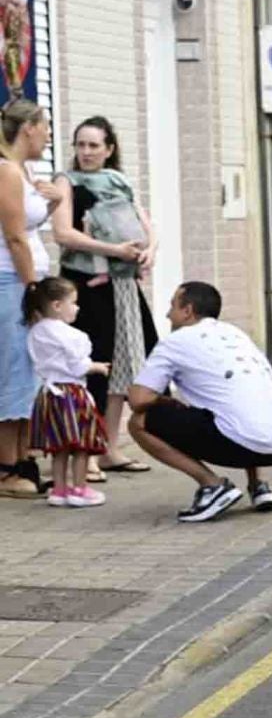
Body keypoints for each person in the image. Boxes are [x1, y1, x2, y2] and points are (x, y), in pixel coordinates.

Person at [128, 281, 272, 523]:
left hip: (246, 442)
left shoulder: (175, 341)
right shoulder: (235, 333)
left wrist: (168, 401)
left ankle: (212, 486)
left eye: (172, 306)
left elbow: (137, 399)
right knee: (237, 405)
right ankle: (259, 486)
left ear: (187, 310)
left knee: (138, 422)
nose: (168, 314)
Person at [52, 116, 157, 476]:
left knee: (121, 367)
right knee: (91, 364)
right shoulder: (67, 182)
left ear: (109, 149)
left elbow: (146, 225)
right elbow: (64, 234)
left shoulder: (119, 181)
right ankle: (88, 452)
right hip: (85, 284)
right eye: (80, 145)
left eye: (93, 145)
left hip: (123, 284)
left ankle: (110, 447)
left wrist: (149, 251)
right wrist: (113, 249)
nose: (85, 152)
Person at [0, 98, 56, 499]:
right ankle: (5, 468)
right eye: (45, 126)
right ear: (28, 129)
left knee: (29, 372)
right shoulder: (5, 171)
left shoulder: (23, 171)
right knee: (14, 370)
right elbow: (15, 236)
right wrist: (31, 287)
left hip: (25, 280)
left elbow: (32, 226)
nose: (49, 134)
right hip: (10, 283)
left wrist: (52, 201)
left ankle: (23, 459)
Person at [22, 276, 109, 507]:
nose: (77, 307)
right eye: (73, 302)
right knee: (81, 445)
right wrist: (97, 367)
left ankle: (59, 490)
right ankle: (79, 489)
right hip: (72, 394)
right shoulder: (73, 335)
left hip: (48, 393)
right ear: (57, 305)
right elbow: (78, 366)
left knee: (59, 447)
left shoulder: (35, 332)